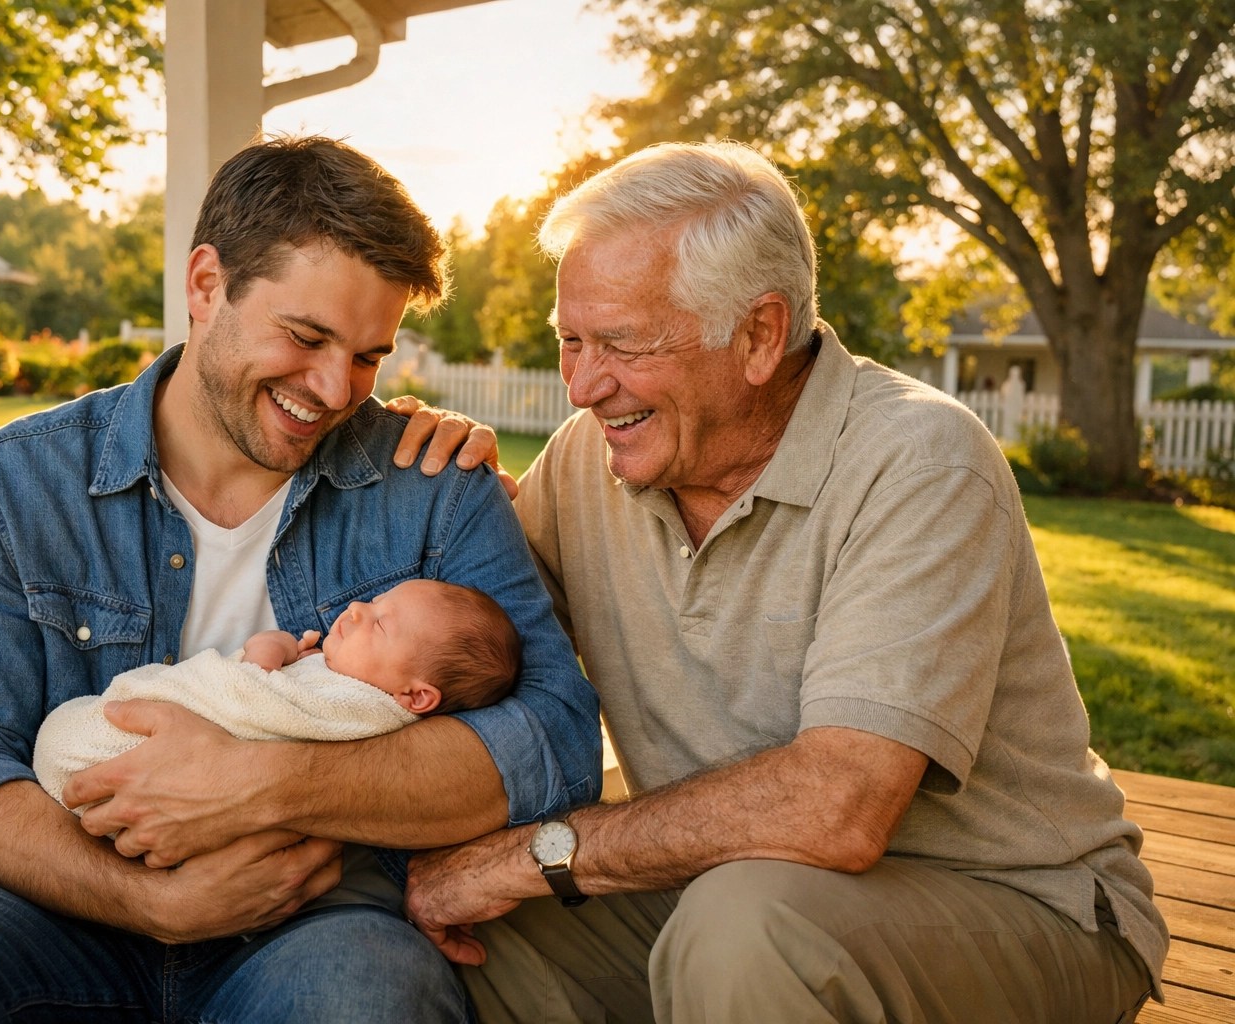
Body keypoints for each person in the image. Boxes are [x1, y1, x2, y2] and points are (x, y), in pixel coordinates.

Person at [0, 135, 600, 1023]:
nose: (333, 388)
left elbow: (553, 744)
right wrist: (149, 901)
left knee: (370, 996)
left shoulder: (433, 487)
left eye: (368, 355)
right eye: (307, 336)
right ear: (206, 285)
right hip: (52, 914)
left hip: (314, 920)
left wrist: (263, 784)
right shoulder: (12, 486)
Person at [401, 141, 1166, 1023]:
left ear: (760, 334)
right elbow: (473, 638)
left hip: (1024, 902)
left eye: (619, 343)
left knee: (743, 933)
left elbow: (838, 808)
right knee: (471, 931)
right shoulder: (589, 462)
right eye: (569, 340)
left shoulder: (919, 460)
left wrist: (525, 856)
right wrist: (418, 482)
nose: (581, 385)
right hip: (731, 882)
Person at [34, 579, 523, 808]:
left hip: (116, 754)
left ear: (416, 698)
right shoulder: (344, 684)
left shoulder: (361, 710)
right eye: (373, 601)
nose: (354, 608)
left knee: (78, 734)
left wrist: (266, 653)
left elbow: (253, 703)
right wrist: (308, 662)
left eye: (379, 623)